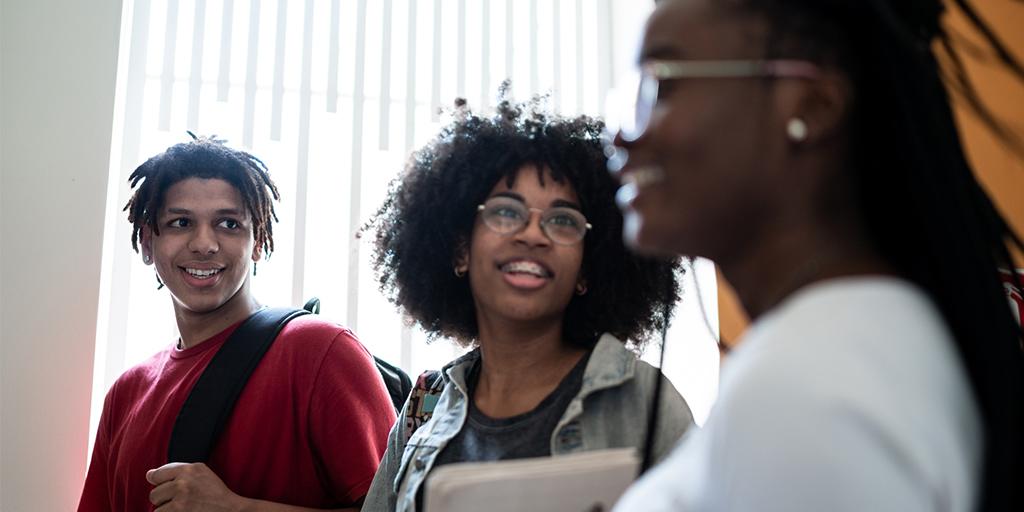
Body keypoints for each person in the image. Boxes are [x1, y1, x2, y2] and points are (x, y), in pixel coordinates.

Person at [607, 0, 1024, 510]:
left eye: (661, 83)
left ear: (811, 106)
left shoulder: (805, 387)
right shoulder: (864, 340)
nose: (622, 135)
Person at [361, 93, 695, 512]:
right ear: (461, 251)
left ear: (586, 272)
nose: (533, 235)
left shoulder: (646, 403)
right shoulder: (422, 410)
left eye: (562, 220)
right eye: (505, 212)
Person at [78, 136, 397, 511]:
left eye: (228, 224)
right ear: (148, 243)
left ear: (258, 241)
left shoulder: (321, 353)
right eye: (180, 222)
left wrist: (237, 508)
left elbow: (396, 507)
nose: (204, 244)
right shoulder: (125, 394)